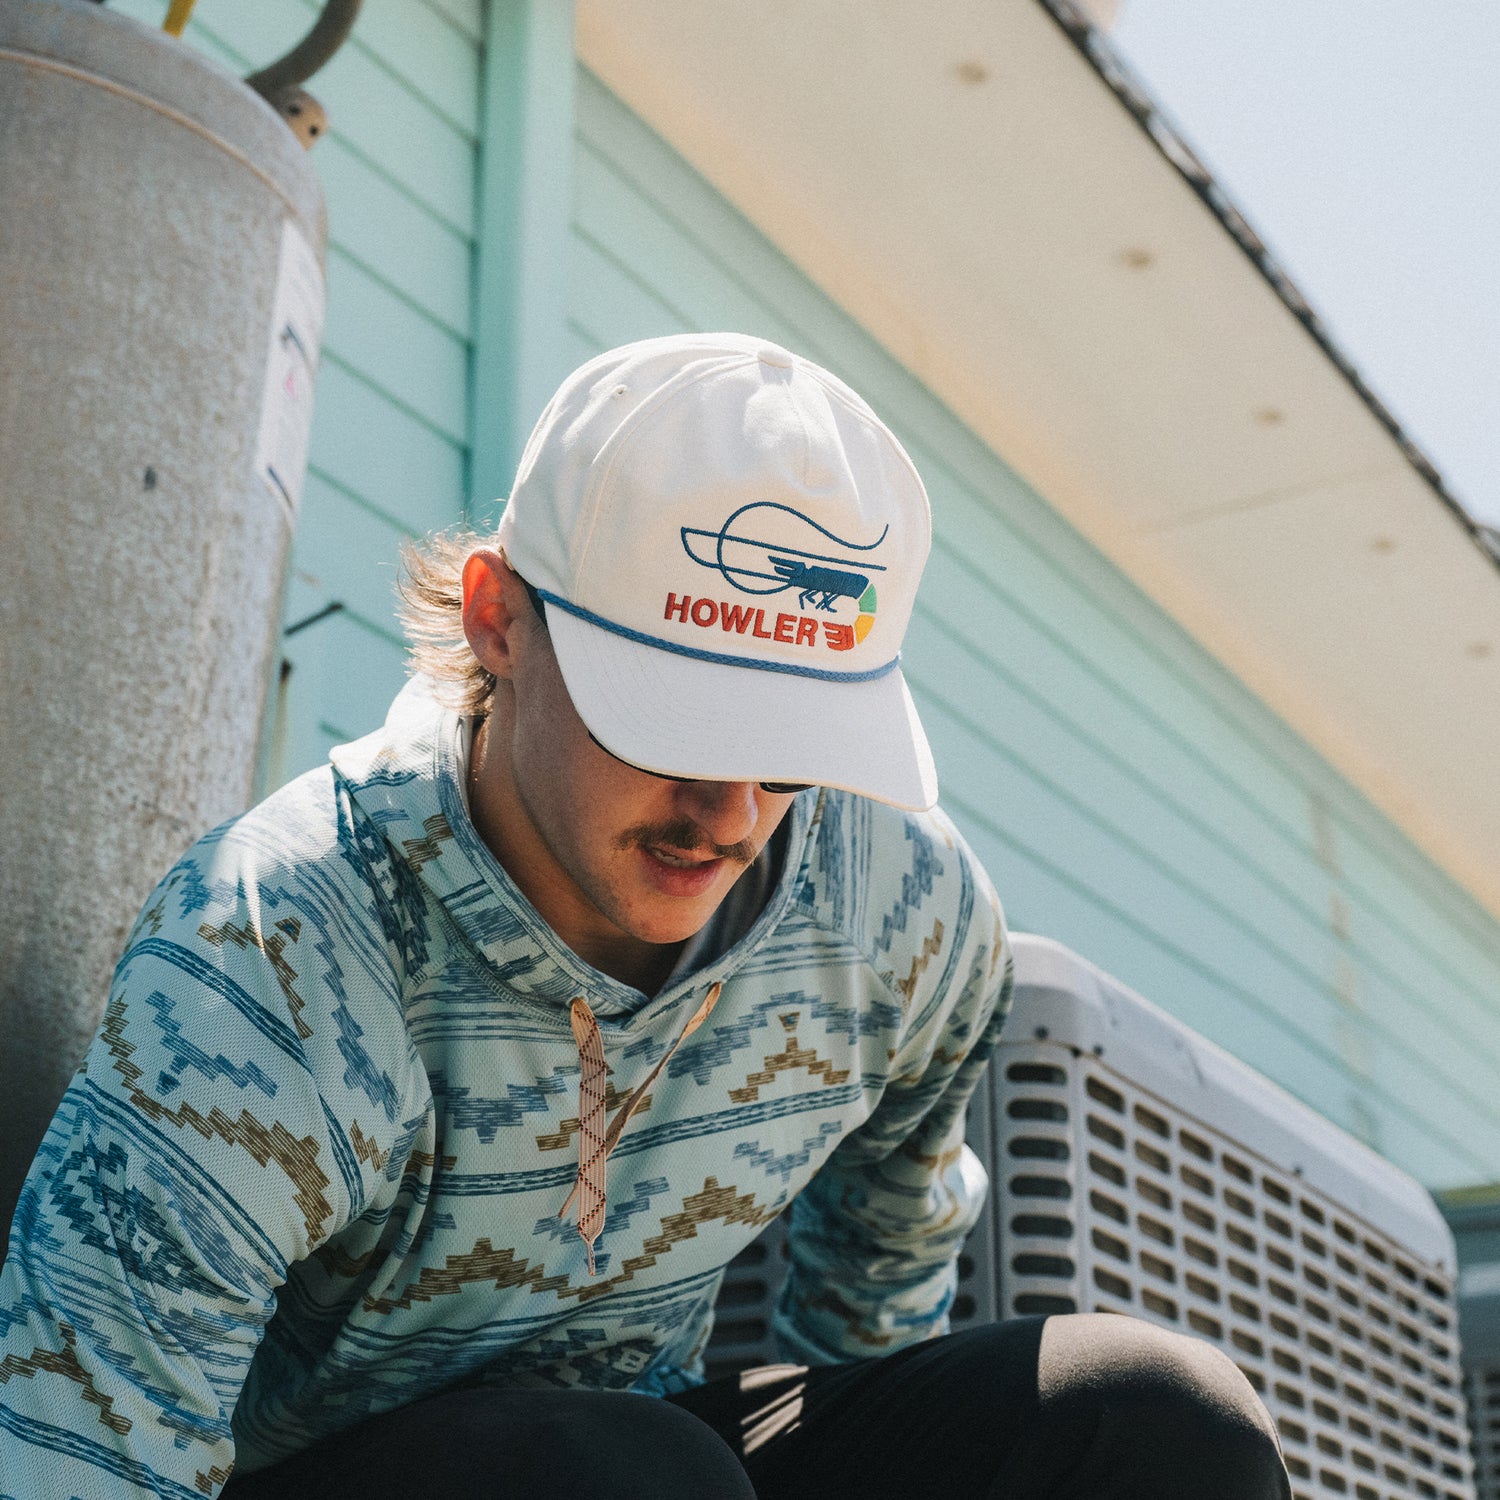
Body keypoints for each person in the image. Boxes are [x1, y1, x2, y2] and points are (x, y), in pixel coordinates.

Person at [0, 334, 1289, 1498]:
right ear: (499, 620)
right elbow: (82, 1443)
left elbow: (879, 1279)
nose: (729, 810)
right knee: (624, 1478)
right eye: (671, 722)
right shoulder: (272, 949)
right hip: (314, 1477)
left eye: (790, 744)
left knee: (1155, 1424)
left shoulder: (900, 911)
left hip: (657, 1451)